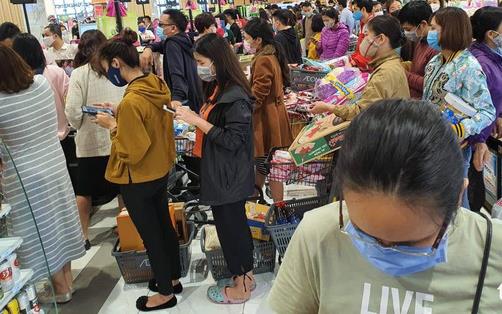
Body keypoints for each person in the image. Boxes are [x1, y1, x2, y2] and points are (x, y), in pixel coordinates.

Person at [268, 98, 502, 313]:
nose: (386, 253)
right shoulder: (319, 234)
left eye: (410, 243)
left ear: (458, 196)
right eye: (364, 234)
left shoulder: (492, 251)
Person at [94, 30, 180, 311]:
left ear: (116, 63)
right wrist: (120, 113)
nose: (108, 74)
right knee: (164, 227)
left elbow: (131, 149)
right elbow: (149, 121)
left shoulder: (131, 101)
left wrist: (113, 126)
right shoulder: (153, 83)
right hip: (159, 169)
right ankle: (173, 277)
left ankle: (165, 293)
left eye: (107, 68)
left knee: (150, 233)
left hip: (138, 176)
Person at [174, 33, 255, 304]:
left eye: (201, 61)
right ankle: (244, 276)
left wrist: (196, 120)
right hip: (222, 172)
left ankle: (242, 286)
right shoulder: (220, 88)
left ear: (217, 60)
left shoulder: (235, 96)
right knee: (231, 226)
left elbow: (233, 140)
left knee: (232, 230)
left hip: (230, 175)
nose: (199, 66)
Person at [0, 46, 85, 303]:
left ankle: (60, 289)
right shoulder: (40, 84)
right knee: (60, 220)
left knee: (38, 230)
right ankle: (66, 281)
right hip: (55, 164)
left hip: (23, 176)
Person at [423, 7, 495, 210]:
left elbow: (487, 111)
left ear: (450, 30)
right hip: (431, 140)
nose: (430, 33)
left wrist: (462, 129)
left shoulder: (469, 67)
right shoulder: (435, 60)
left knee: (455, 198)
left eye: (434, 28)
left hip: (455, 146)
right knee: (436, 197)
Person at [64, 30, 125, 250]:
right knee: (122, 189)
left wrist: (79, 125)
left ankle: (82, 236)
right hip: (117, 138)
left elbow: (71, 109)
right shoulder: (117, 69)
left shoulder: (80, 74)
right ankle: (125, 229)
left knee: (84, 192)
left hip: (89, 144)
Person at [311, 15, 409, 119]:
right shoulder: (391, 63)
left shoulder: (384, 73)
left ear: (380, 38)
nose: (364, 40)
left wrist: (328, 107)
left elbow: (363, 111)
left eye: (367, 35)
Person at [243, 18, 293, 203]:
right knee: (267, 162)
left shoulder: (264, 59)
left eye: (248, 38)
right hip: (274, 113)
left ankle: (278, 205)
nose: (246, 42)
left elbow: (259, 93)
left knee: (269, 162)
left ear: (258, 40)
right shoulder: (271, 54)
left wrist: (244, 109)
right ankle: (256, 195)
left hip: (266, 117)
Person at [467, 7, 502, 210]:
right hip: (474, 140)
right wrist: (479, 141)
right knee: (475, 190)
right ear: (491, 34)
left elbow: (493, 94)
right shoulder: (481, 63)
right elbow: (474, 107)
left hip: (485, 134)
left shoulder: (491, 56)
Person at [140, 9, 203, 113]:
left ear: (173, 28)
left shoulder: (172, 44)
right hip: (194, 93)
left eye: (161, 25)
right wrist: (149, 48)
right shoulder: (184, 39)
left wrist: (177, 98)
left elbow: (176, 72)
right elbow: (160, 45)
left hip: (183, 99)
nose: (159, 28)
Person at [12, 33, 70, 142]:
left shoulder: (14, 81)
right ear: (39, 51)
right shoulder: (55, 72)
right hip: (60, 136)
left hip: (29, 141)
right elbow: (70, 102)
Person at [398, 1, 438, 98]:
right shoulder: (421, 40)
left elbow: (430, 85)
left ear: (423, 24)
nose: (406, 33)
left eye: (408, 29)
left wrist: (404, 74)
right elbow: (419, 68)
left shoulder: (435, 47)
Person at [350, 0, 375, 69]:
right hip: (360, 63)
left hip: (366, 67)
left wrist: (355, 61)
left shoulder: (372, 26)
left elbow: (369, 53)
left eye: (355, 9)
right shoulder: (363, 23)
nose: (353, 12)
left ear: (363, 9)